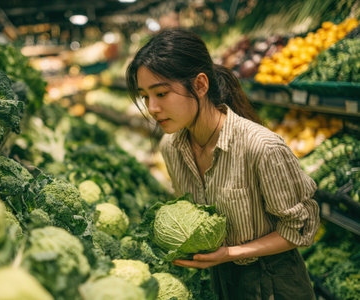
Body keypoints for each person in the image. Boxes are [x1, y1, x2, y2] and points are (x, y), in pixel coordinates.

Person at [126, 28, 320, 300]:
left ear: (201, 85)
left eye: (161, 94)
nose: (152, 108)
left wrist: (230, 253)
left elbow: (300, 230)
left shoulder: (261, 146)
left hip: (274, 284)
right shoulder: (171, 147)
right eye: (145, 96)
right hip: (219, 280)